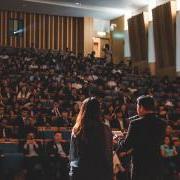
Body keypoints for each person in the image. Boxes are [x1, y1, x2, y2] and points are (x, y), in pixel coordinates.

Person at [117, 95, 166, 180]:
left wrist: (119, 139)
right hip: (156, 163)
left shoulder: (135, 123)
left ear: (141, 107)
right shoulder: (162, 123)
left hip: (140, 164)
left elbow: (127, 145)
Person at [69, 97, 113, 180]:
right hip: (100, 170)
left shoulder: (77, 128)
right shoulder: (105, 129)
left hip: (80, 169)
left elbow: (73, 153)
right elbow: (108, 154)